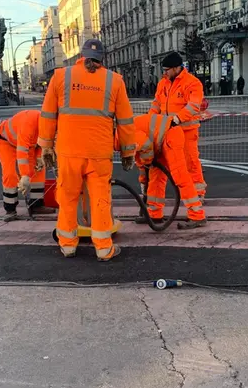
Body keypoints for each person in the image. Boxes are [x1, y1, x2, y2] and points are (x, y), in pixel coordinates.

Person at [38, 39, 136, 261]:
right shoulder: (115, 80)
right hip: (99, 152)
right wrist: (128, 151)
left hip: (68, 151)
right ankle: (103, 248)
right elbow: (126, 121)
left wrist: (45, 147)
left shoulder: (61, 76)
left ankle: (67, 245)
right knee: (101, 199)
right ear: (103, 58)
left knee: (67, 197)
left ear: (80, 56)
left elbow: (47, 115)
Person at [148, 51, 207, 202]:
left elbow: (194, 106)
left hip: (186, 131)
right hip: (166, 131)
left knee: (190, 164)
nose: (165, 73)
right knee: (159, 167)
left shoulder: (192, 83)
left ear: (176, 68)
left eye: (167, 70)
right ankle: (155, 208)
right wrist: (151, 119)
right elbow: (157, 103)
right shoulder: (163, 83)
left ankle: (197, 198)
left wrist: (176, 119)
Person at [132, 113, 206, 229]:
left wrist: (148, 162)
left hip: (170, 136)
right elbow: (140, 159)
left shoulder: (126, 135)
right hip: (159, 141)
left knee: (179, 175)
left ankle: (197, 215)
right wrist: (143, 180)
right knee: (156, 177)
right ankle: (155, 214)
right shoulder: (123, 135)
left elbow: (145, 147)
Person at [0, 109, 55, 222]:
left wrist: (40, 157)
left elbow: (44, 142)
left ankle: (36, 205)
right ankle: (10, 209)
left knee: (39, 170)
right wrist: (25, 176)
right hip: (6, 142)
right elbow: (22, 153)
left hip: (31, 145)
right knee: (10, 174)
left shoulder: (48, 125)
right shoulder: (28, 124)